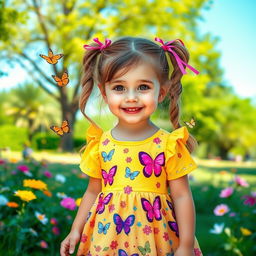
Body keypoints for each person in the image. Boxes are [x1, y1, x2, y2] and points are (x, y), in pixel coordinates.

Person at [60, 36, 203, 256]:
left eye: (143, 87)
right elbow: (92, 191)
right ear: (104, 92)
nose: (131, 97)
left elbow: (182, 196)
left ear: (161, 92)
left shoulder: (168, 145)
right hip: (106, 238)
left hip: (157, 238)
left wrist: (185, 245)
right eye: (119, 87)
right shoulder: (100, 144)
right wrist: (75, 231)